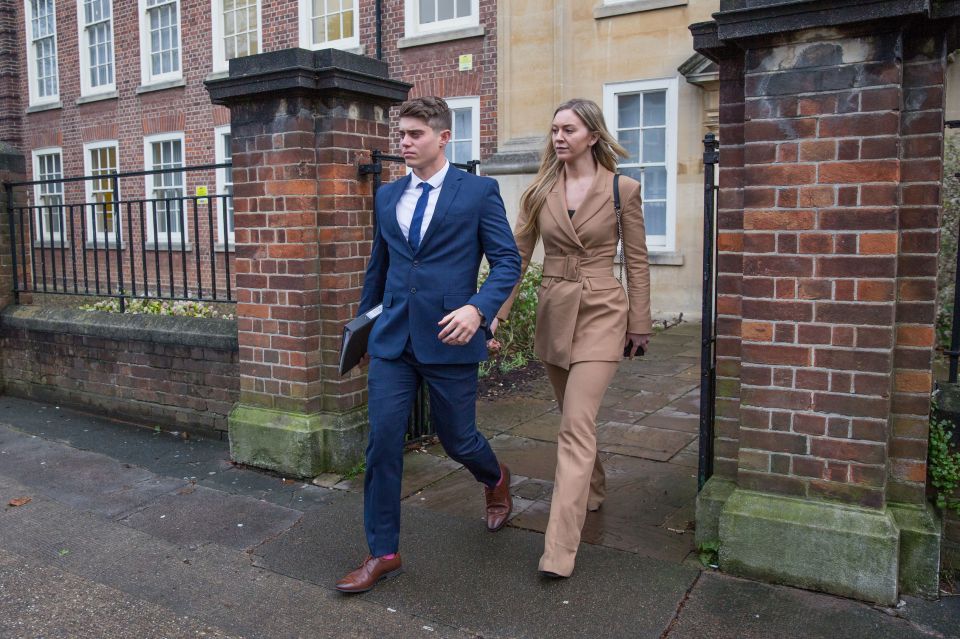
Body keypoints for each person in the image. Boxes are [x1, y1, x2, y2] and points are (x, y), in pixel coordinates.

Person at [336, 96, 522, 594]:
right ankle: (384, 552)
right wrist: (363, 334)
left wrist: (478, 309)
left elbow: (507, 261)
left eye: (415, 134)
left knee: (457, 439)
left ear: (443, 138)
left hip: (450, 336)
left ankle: (494, 477)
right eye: (401, 134)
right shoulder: (388, 196)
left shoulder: (479, 192)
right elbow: (379, 269)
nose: (404, 142)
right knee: (382, 445)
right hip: (394, 341)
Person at [492, 98, 652, 578]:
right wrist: (494, 315)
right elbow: (515, 258)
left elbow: (638, 261)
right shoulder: (540, 190)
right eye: (554, 129)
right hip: (555, 309)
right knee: (574, 417)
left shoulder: (623, 189)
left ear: (593, 135)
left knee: (575, 426)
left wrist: (639, 321)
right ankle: (595, 487)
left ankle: (558, 550)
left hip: (604, 309)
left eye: (569, 129)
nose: (558, 137)